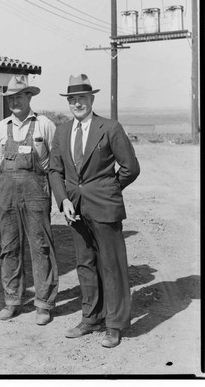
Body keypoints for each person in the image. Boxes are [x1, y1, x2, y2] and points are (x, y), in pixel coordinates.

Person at [49, 73, 140, 347]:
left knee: (111, 265)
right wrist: (63, 199)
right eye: (73, 99)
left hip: (104, 207)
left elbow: (130, 168)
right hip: (74, 209)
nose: (78, 103)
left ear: (92, 99)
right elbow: (55, 169)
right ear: (69, 102)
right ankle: (90, 317)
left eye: (82, 98)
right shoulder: (62, 131)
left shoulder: (110, 128)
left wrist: (109, 190)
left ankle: (114, 324)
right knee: (85, 264)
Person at [0, 74, 58, 325]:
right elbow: (0, 160)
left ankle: (43, 304)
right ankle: (12, 301)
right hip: (7, 193)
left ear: (29, 96)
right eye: (10, 97)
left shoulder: (45, 124)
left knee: (40, 247)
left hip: (36, 192)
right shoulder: (2, 127)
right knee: (8, 246)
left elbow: (53, 163)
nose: (14, 101)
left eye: (19, 96)